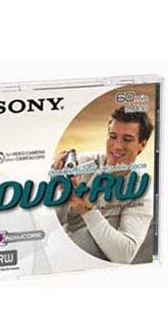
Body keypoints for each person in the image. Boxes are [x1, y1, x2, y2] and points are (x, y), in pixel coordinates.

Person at [53, 106, 154, 264]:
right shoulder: (83, 163)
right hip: (61, 248)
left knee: (109, 224)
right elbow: (50, 223)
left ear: (142, 144)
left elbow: (124, 255)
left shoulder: (142, 187)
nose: (117, 146)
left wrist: (87, 211)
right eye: (112, 136)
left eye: (127, 139)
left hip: (87, 258)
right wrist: (57, 191)